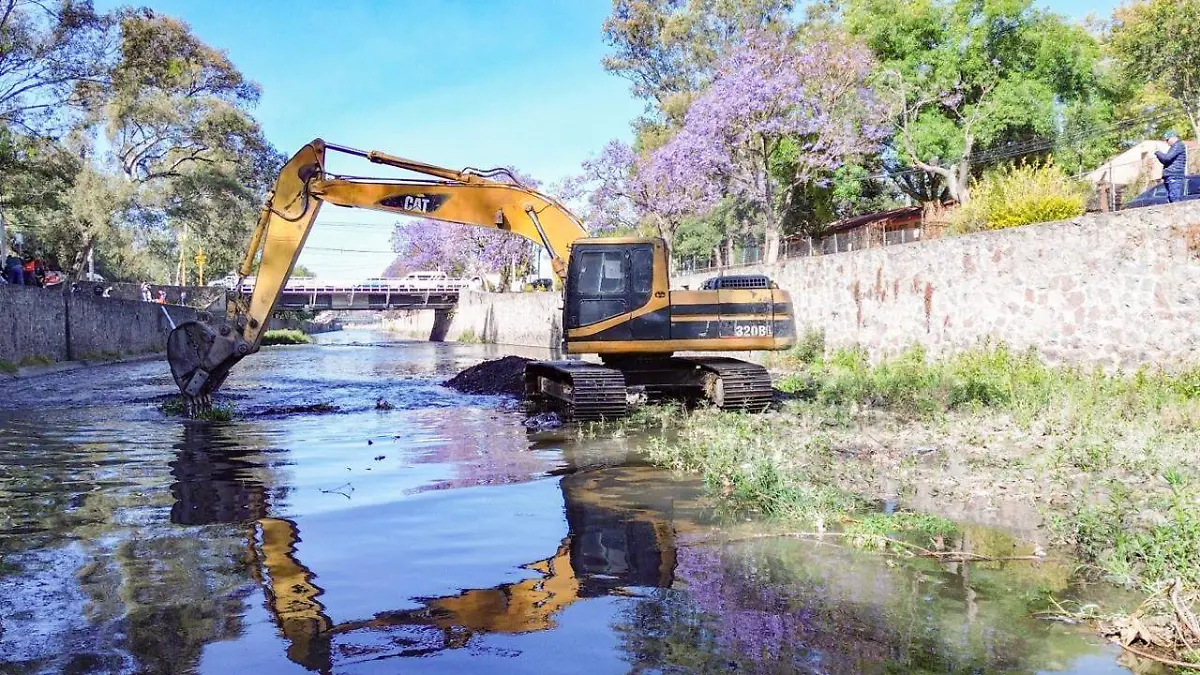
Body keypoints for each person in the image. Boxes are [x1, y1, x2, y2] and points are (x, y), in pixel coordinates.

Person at [1155, 130, 1188, 203]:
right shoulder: (1173, 147)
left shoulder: (1178, 145)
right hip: (1170, 175)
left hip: (1174, 175)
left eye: (1167, 139)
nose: (1166, 142)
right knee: (1170, 198)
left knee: (1174, 197)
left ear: (1173, 138)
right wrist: (1158, 155)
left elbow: (1167, 158)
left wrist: (1157, 152)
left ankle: (1178, 213)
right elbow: (1165, 161)